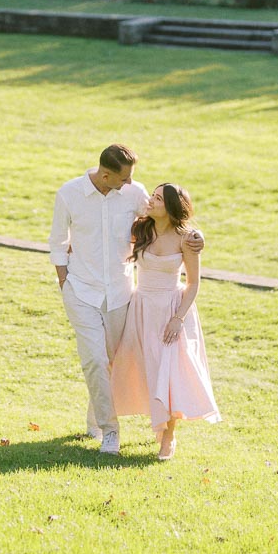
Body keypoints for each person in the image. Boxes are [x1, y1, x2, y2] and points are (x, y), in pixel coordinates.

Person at [49, 144, 149, 456]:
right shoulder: (69, 194)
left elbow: (158, 223)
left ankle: (95, 417)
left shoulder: (135, 193)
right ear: (105, 175)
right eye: (123, 178)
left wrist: (189, 240)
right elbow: (57, 242)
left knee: (108, 362)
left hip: (120, 291)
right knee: (94, 359)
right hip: (81, 291)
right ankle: (110, 431)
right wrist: (64, 280)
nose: (129, 183)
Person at [111, 182, 221, 460]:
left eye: (158, 198)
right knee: (146, 368)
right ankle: (115, 424)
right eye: (153, 196)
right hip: (141, 307)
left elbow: (193, 283)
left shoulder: (187, 238)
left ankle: (168, 435)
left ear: (171, 207)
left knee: (167, 371)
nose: (151, 200)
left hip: (171, 309)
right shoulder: (140, 229)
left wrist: (178, 318)